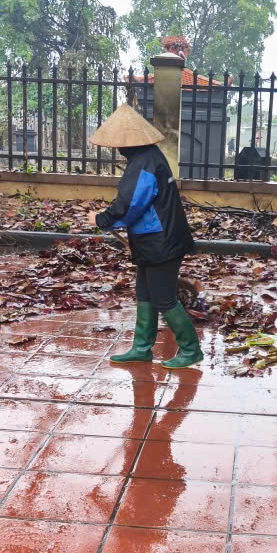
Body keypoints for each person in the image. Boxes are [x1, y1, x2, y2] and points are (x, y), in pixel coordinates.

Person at [89, 103, 202, 370]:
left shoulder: (144, 163)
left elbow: (130, 204)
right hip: (151, 239)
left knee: (163, 298)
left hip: (161, 241)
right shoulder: (147, 157)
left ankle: (190, 349)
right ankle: (141, 348)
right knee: (144, 293)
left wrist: (100, 219)